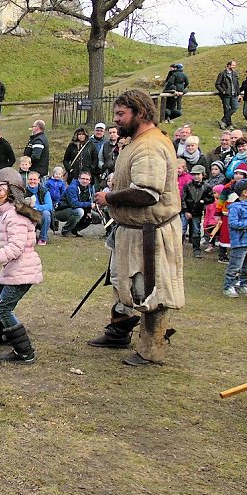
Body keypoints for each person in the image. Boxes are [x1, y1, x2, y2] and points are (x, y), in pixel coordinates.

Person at [89, 89, 184, 366]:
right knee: (123, 283)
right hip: (131, 231)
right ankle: (119, 331)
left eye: (121, 114)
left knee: (149, 291)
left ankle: (151, 350)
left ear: (140, 112)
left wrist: (109, 198)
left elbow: (147, 193)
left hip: (150, 233)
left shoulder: (150, 146)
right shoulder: (139, 142)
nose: (116, 120)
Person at [0, 167, 42, 363]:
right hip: (13, 268)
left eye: (1, 190)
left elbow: (16, 248)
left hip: (22, 270)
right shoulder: (7, 213)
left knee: (3, 309)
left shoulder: (15, 216)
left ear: (12, 191)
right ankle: (5, 335)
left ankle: (24, 352)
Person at [222, 179, 247, 297]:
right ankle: (229, 286)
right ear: (245, 192)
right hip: (240, 242)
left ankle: (245, 285)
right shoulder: (235, 207)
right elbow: (233, 223)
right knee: (235, 265)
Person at [182, 165, 214, 258]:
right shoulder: (188, 186)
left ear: (203, 175)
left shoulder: (207, 186)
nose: (196, 176)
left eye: (198, 174)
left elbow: (211, 198)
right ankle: (177, 249)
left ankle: (196, 250)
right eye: (194, 174)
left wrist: (203, 201)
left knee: (196, 231)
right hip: (187, 211)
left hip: (197, 212)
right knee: (181, 230)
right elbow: (183, 199)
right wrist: (186, 211)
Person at [55, 170, 97, 237]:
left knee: (95, 216)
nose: (85, 181)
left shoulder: (89, 189)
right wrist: (89, 205)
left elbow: (88, 201)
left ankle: (74, 230)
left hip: (75, 209)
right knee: (79, 211)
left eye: (87, 179)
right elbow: (74, 204)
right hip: (61, 211)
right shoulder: (72, 188)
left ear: (89, 181)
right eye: (83, 178)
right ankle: (66, 230)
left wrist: (88, 211)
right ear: (78, 178)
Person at [26, 171, 53, 246]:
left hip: (40, 217)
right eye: (30, 179)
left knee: (46, 213)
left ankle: (43, 238)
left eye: (34, 179)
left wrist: (36, 206)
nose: (32, 181)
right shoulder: (23, 191)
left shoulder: (45, 191)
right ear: (27, 180)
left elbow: (49, 206)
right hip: (27, 216)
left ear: (38, 180)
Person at [215, 60, 240, 130]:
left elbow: (237, 84)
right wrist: (222, 91)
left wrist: (238, 93)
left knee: (235, 107)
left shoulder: (235, 74)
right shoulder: (222, 74)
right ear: (228, 65)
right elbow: (217, 84)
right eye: (233, 65)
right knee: (227, 109)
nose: (234, 67)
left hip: (234, 94)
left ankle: (223, 121)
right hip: (226, 95)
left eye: (235, 65)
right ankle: (229, 124)